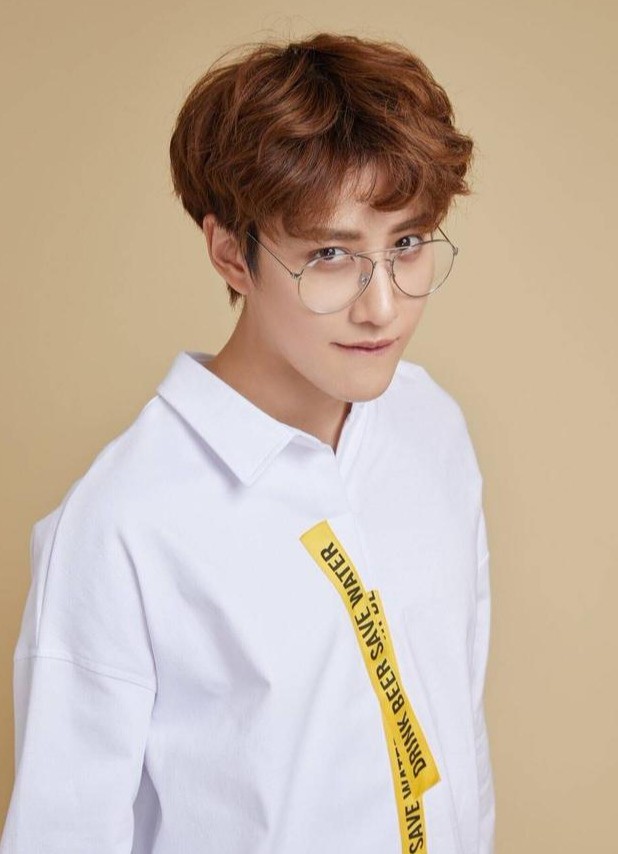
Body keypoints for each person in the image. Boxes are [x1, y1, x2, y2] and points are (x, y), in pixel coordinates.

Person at [0, 32, 495, 854]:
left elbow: (458, 729)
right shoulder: (122, 525)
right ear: (232, 253)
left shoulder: (430, 425)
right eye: (331, 254)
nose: (383, 306)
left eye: (407, 245)